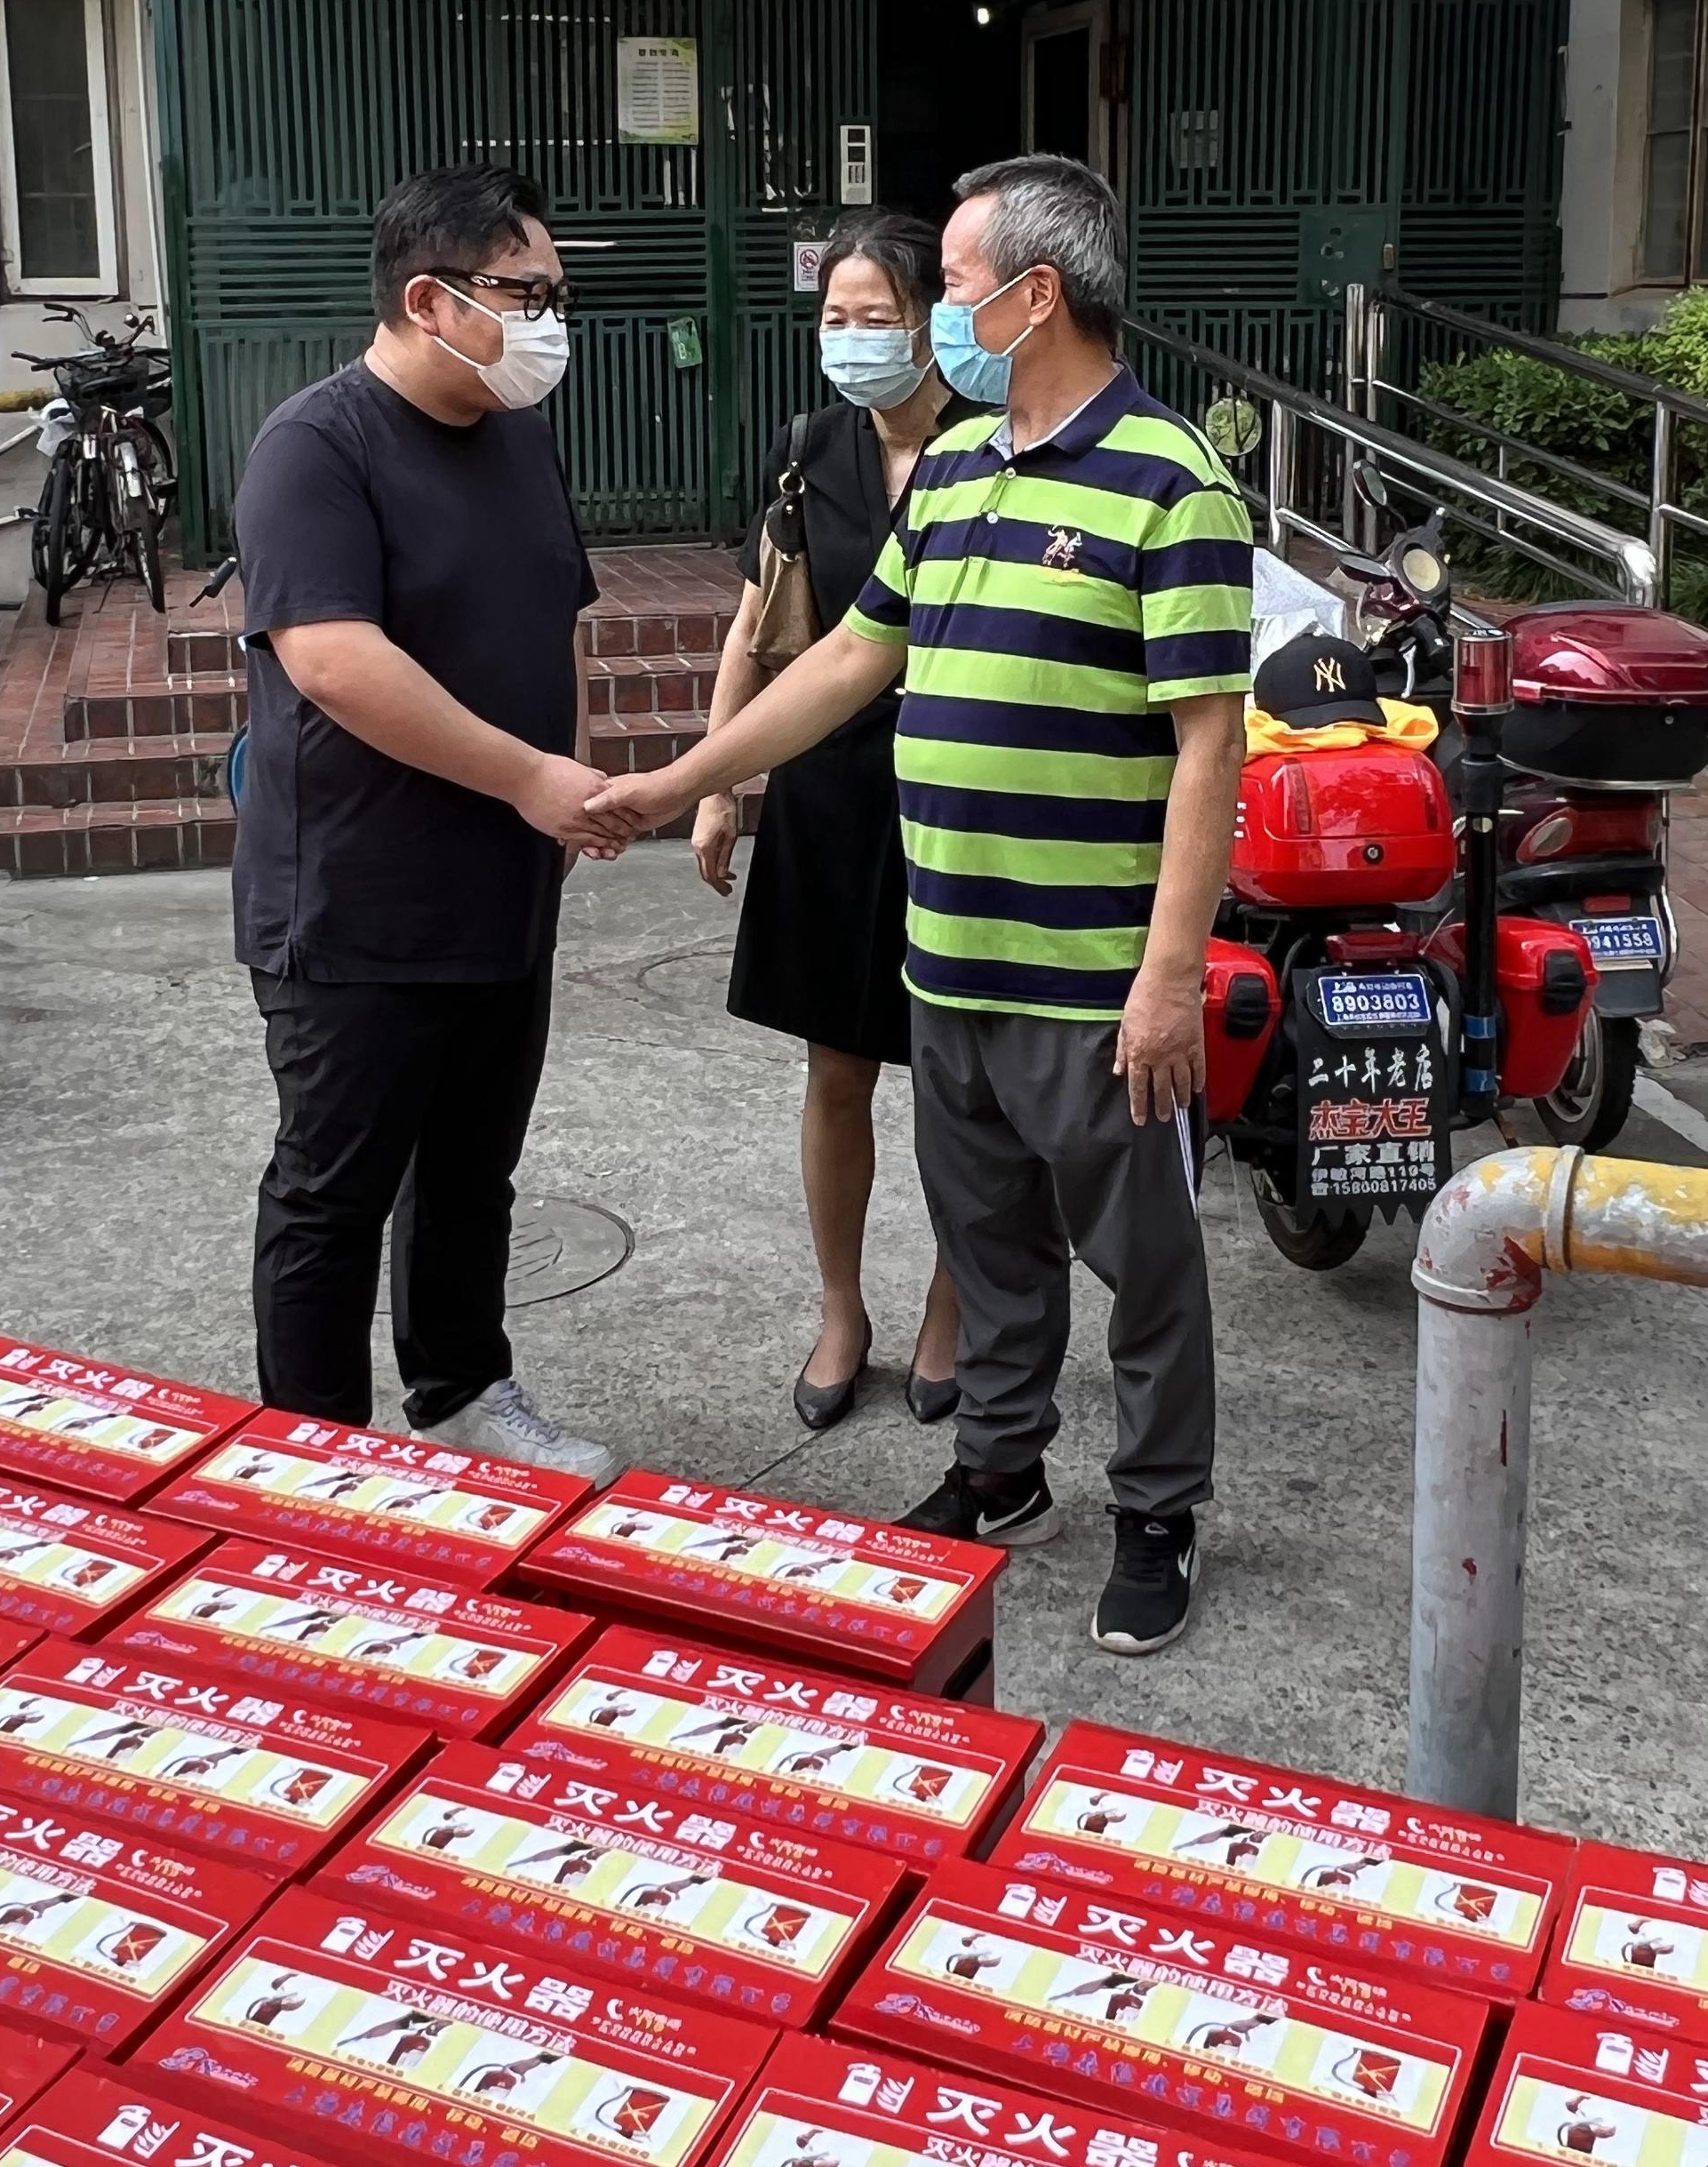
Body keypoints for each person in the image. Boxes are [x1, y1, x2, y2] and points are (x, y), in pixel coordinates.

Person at [592, 154, 1253, 1655]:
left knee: (1145, 1265)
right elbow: (846, 659)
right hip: (947, 955)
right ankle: (1001, 1470)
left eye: (952, 285)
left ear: (1035, 296)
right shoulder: (952, 474)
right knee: (991, 1241)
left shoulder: (1172, 481)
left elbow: (1210, 747)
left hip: (1093, 975)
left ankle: (1157, 1510)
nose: (937, 314)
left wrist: (1168, 979)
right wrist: (682, 779)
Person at [229, 162, 629, 1480]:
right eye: (526, 294)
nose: (549, 324)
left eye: (556, 295)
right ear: (427, 299)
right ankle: (316, 1457)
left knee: (472, 1166)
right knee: (333, 1190)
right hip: (357, 896)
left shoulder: (514, 434)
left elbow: (559, 617)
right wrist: (525, 777)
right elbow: (332, 659)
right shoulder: (316, 448)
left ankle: (459, 1388)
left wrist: (570, 776)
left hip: (502, 883)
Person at [693, 213, 967, 1433]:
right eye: (835, 318)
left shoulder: (996, 446)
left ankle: (953, 1309)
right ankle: (843, 1308)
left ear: (933, 325)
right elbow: (758, 626)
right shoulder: (809, 448)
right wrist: (718, 784)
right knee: (837, 1066)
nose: (854, 340)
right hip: (827, 785)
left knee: (960, 1076)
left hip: (962, 792)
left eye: (878, 318)